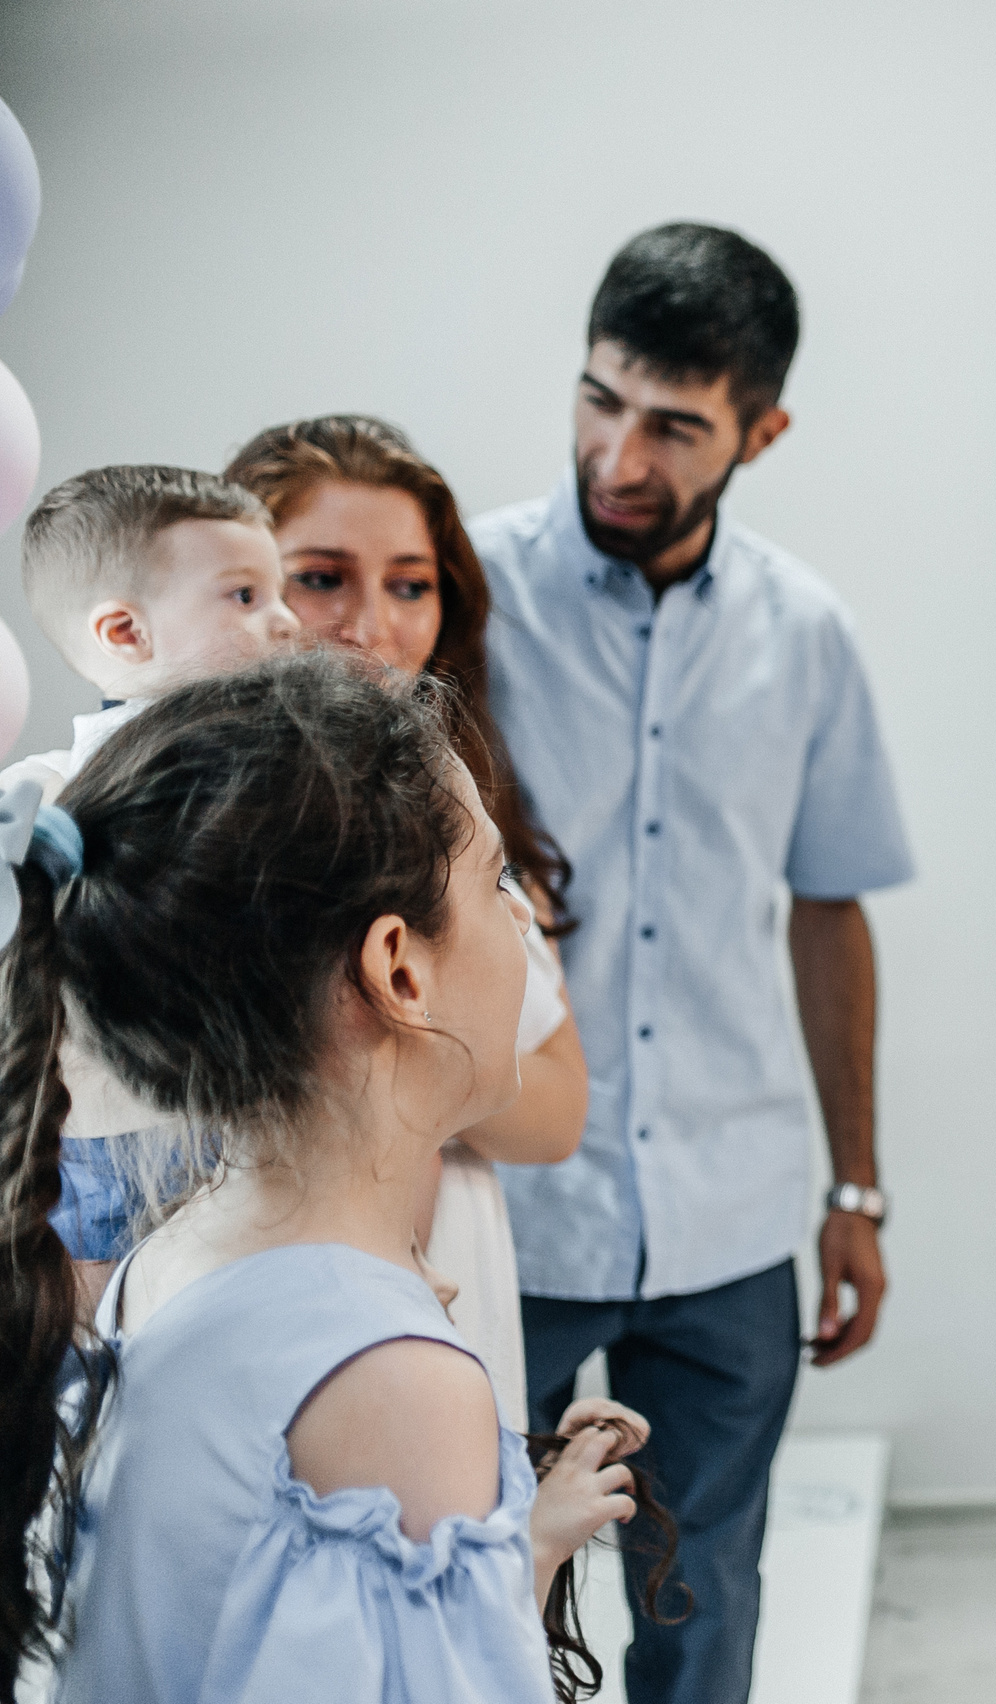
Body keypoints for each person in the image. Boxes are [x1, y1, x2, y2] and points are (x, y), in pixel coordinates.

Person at [1, 653, 637, 1701]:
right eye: (495, 881)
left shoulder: (181, 1249)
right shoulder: (388, 1380)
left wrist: (515, 1549)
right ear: (399, 970)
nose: (523, 922)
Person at [470, 221, 912, 1704]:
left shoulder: (809, 637)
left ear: (760, 431)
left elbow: (830, 909)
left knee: (702, 1603)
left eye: (672, 425)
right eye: (600, 401)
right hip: (498, 1217)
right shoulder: (461, 601)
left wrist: (855, 1190)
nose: (618, 454)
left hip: (730, 1226)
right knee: (471, 1596)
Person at [224, 414, 588, 1433]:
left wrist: (364, 1053)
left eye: (410, 584)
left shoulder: (467, 819)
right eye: (322, 577)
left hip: (447, 1275)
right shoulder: (161, 824)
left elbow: (557, 1110)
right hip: (236, 1294)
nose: (371, 624)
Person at [2, 465, 301, 1303]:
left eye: (278, 592)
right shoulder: (48, 795)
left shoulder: (285, 785)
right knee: (112, 1347)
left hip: (259, 1135)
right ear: (126, 633)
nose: (285, 621)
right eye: (244, 597)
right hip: (106, 1140)